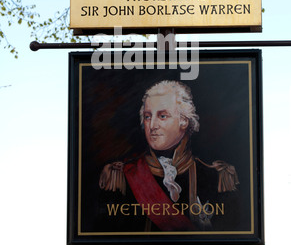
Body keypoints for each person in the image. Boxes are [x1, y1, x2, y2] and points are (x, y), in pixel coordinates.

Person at [98, 80, 240, 232]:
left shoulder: (215, 177)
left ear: (184, 121)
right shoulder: (121, 177)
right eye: (147, 117)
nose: (152, 125)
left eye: (163, 116)